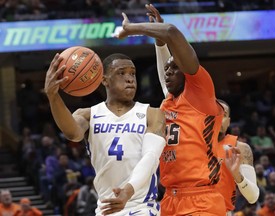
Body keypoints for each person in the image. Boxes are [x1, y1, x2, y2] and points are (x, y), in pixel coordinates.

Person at [116, 4, 225, 215]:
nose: (168, 72)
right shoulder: (169, 102)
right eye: (167, 69)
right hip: (170, 199)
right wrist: (159, 42)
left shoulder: (200, 94)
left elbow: (172, 32)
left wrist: (132, 29)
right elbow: (164, 64)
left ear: (186, 72)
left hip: (201, 200)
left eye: (175, 69)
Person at [44, 52, 166, 215]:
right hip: (106, 208)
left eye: (132, 73)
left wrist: (127, 192)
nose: (129, 78)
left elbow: (151, 157)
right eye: (121, 73)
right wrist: (53, 96)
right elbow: (72, 133)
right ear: (104, 79)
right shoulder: (87, 114)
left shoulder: (152, 114)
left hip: (141, 207)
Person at [216, 100, 259, 215]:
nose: (219, 118)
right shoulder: (195, 146)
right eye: (215, 113)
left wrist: (237, 176)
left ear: (228, 122)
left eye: (224, 115)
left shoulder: (240, 148)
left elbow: (253, 197)